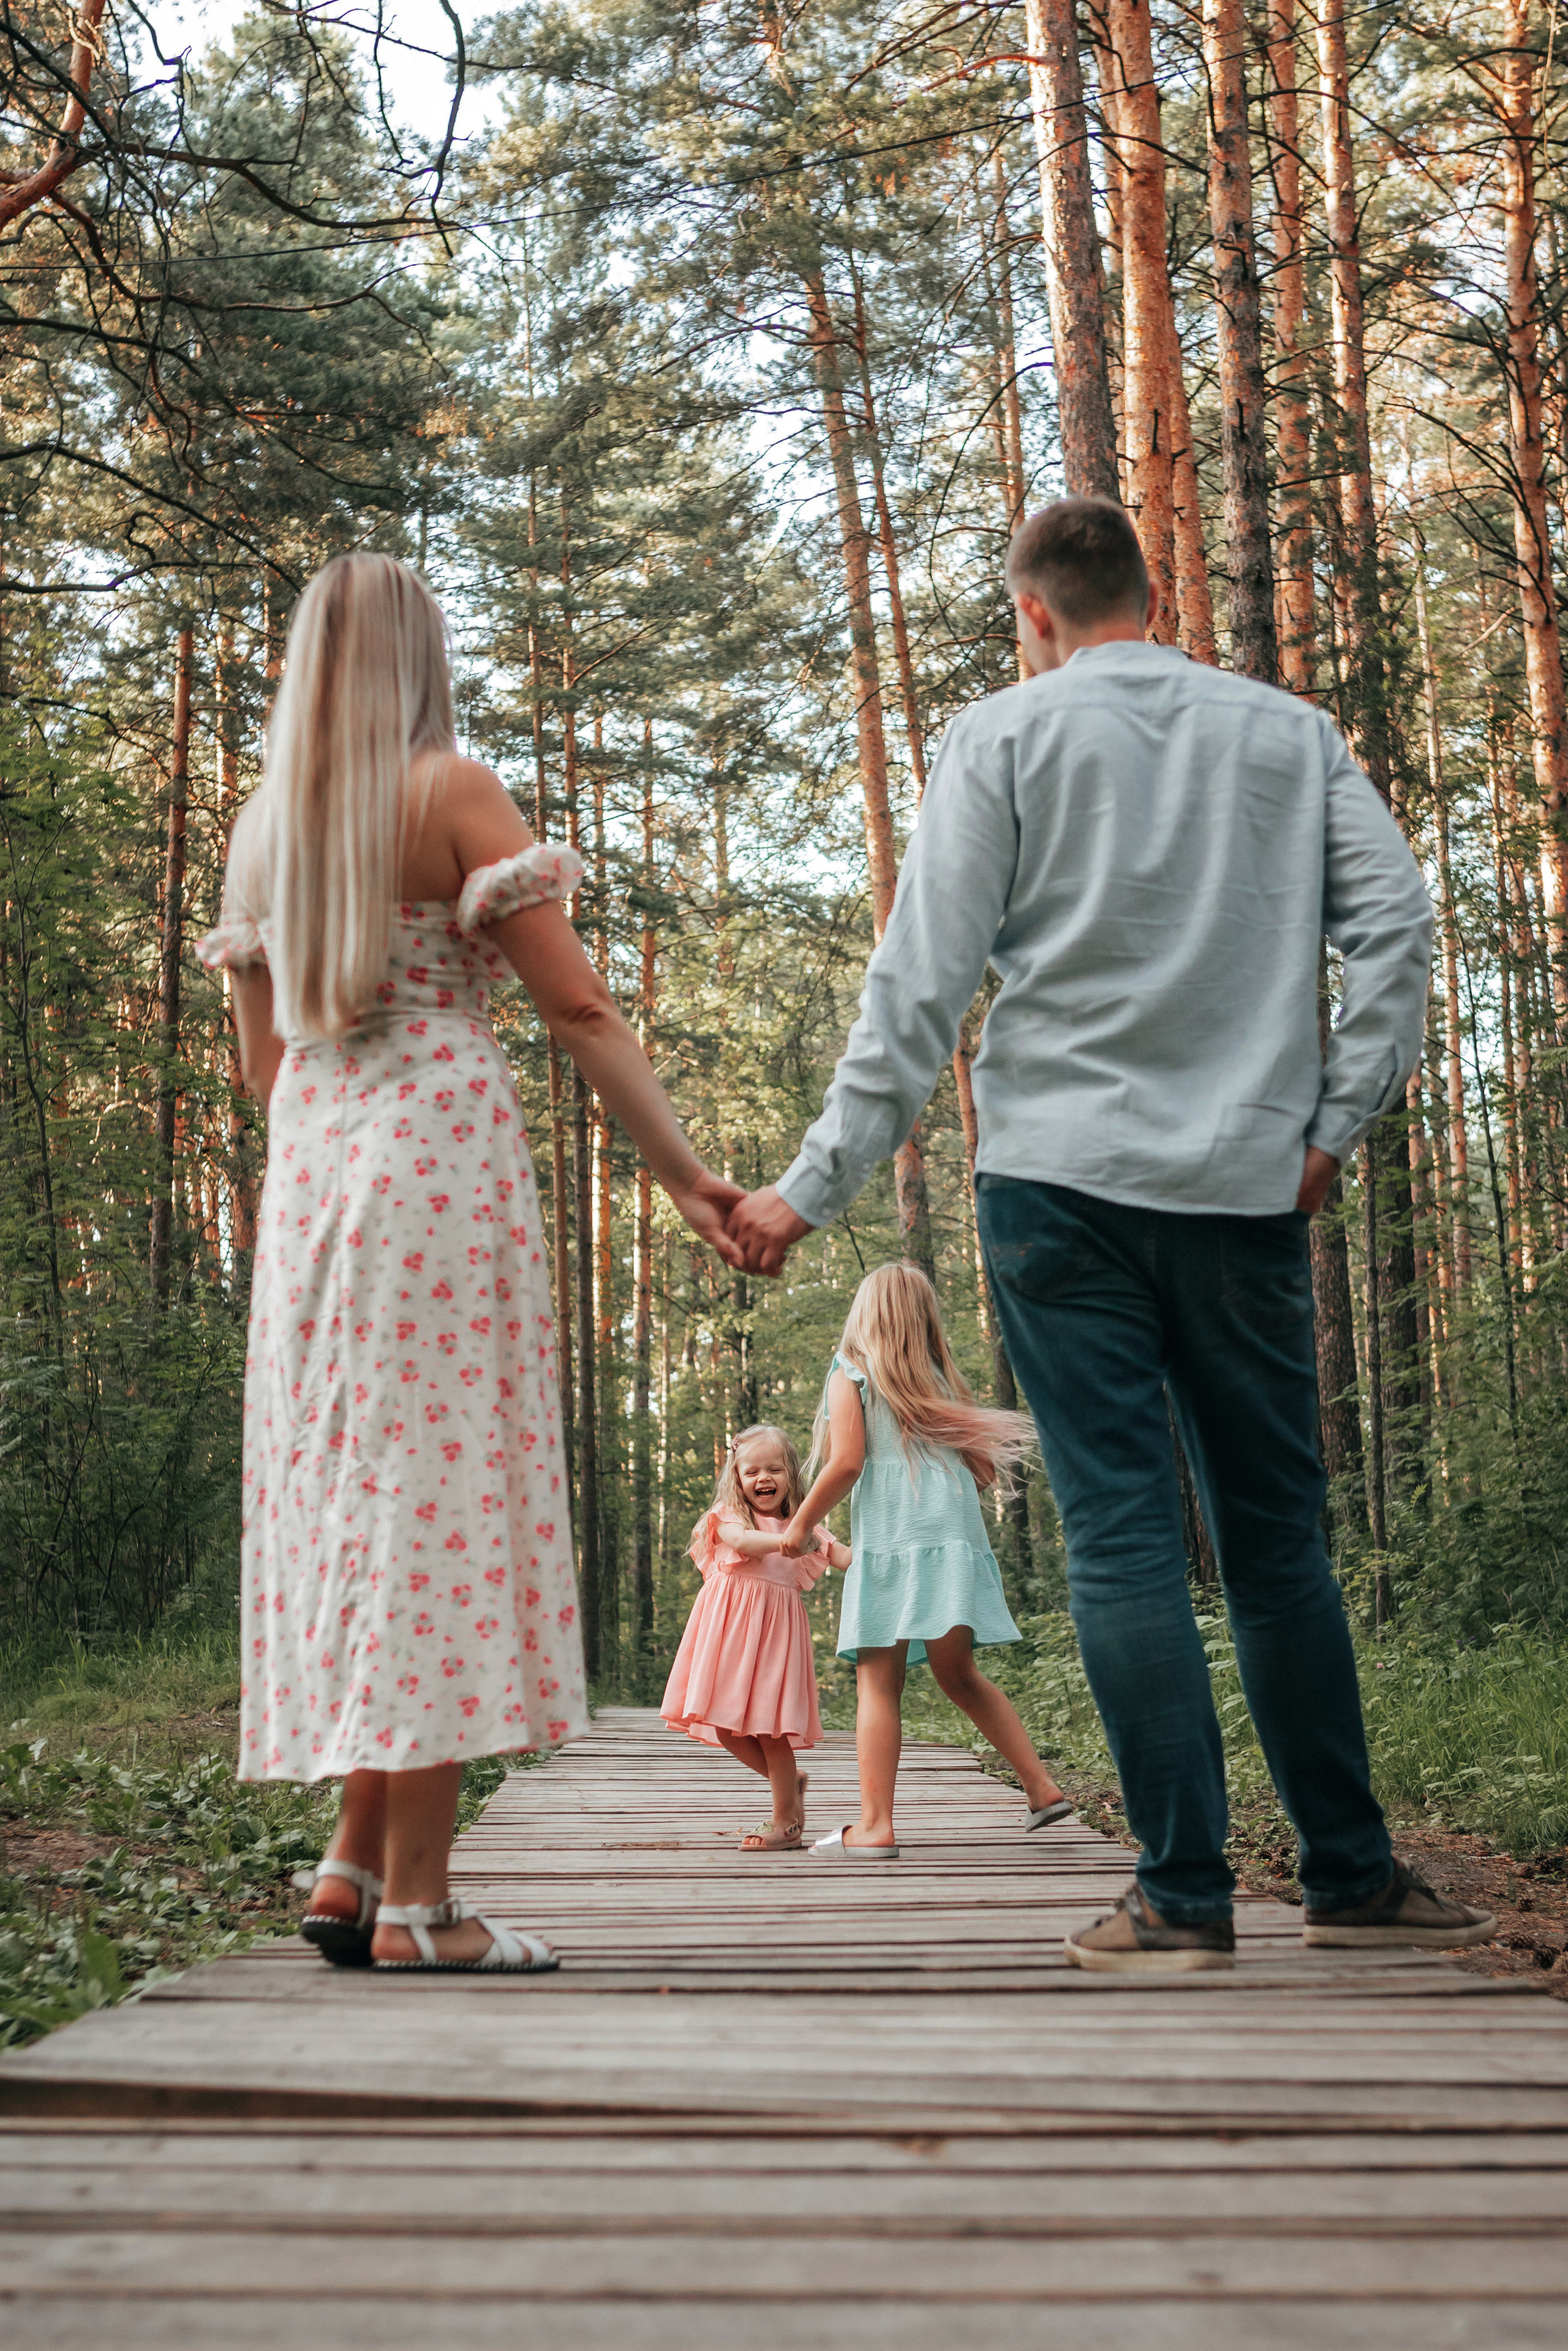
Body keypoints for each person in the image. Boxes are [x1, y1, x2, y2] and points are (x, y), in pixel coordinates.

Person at [729, 497, 1496, 1968]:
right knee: (1276, 1542)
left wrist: (802, 1191)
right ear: (1150, 593)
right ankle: (1345, 1873)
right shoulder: (1286, 733)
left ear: (1033, 615)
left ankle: (1181, 1899)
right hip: (1240, 1186)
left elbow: (915, 996)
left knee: (1125, 1537)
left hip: (1056, 1191)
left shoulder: (1000, 740)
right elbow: (1395, 926)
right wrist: (1330, 1126)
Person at [200, 552, 742, 1972]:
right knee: (431, 1507)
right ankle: (424, 1913)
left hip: (313, 1181)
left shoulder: (263, 827)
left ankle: (346, 1861)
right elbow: (577, 1003)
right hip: (434, 1167)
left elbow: (267, 1068)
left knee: (367, 1500)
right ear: (416, 658)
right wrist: (685, 1176)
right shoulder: (446, 789)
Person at [777, 1262, 1072, 1859]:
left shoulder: (851, 1372)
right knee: (959, 1674)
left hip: (892, 1543)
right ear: (924, 1320)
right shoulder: (940, 1382)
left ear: (865, 1314)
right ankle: (1041, 1788)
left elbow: (846, 1462)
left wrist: (801, 1522)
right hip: (952, 1544)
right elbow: (983, 1471)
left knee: (878, 1681)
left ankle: (874, 1824)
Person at [661, 1424, 848, 1851]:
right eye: (752, 1471)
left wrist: (879, 1557)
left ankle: (786, 1823)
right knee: (725, 1726)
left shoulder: (804, 1526)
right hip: (727, 1637)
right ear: (737, 1478)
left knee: (770, 1729)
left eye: (775, 1469)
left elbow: (839, 1555)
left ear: (791, 1476)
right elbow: (743, 1541)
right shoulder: (728, 1516)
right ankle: (790, 1784)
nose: (764, 1479)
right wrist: (789, 1542)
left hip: (775, 1640)